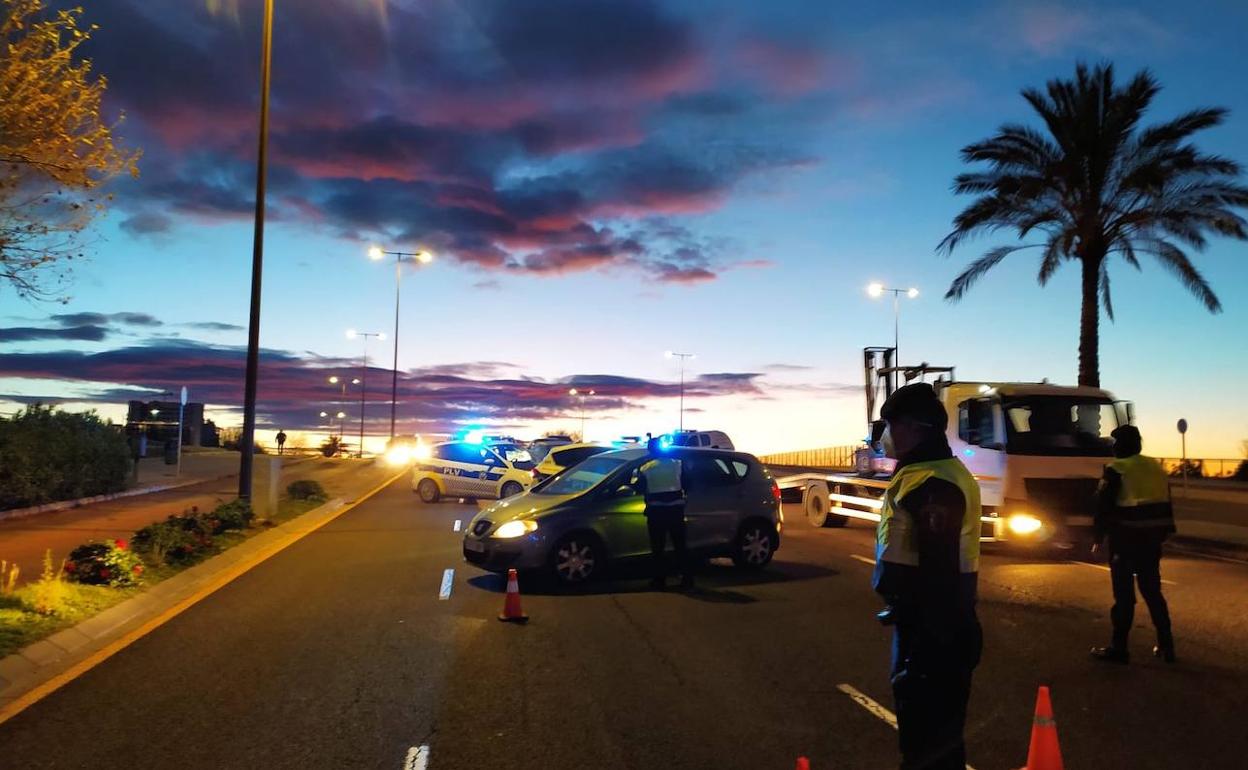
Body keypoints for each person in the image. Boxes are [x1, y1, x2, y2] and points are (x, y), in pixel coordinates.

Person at [871, 383, 982, 770]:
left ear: (915, 428)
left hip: (934, 633)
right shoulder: (920, 473)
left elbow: (939, 572)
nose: (886, 435)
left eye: (891, 424)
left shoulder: (934, 484)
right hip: (926, 625)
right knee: (934, 743)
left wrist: (925, 647)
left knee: (927, 747)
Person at [1090, 425, 1176, 664]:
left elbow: (1103, 507)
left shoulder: (1117, 469)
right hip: (1151, 541)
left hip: (1125, 541)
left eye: (1114, 443)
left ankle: (1119, 648)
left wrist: (1097, 538)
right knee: (1153, 592)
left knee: (1124, 597)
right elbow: (1166, 502)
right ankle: (1167, 645)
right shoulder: (1155, 466)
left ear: (1119, 446)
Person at [639, 437, 692, 590]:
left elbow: (640, 487)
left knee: (658, 549)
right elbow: (688, 483)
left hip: (656, 512)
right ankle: (686, 578)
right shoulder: (678, 464)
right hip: (675, 511)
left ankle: (659, 580)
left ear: (650, 450)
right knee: (680, 547)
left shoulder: (645, 468)